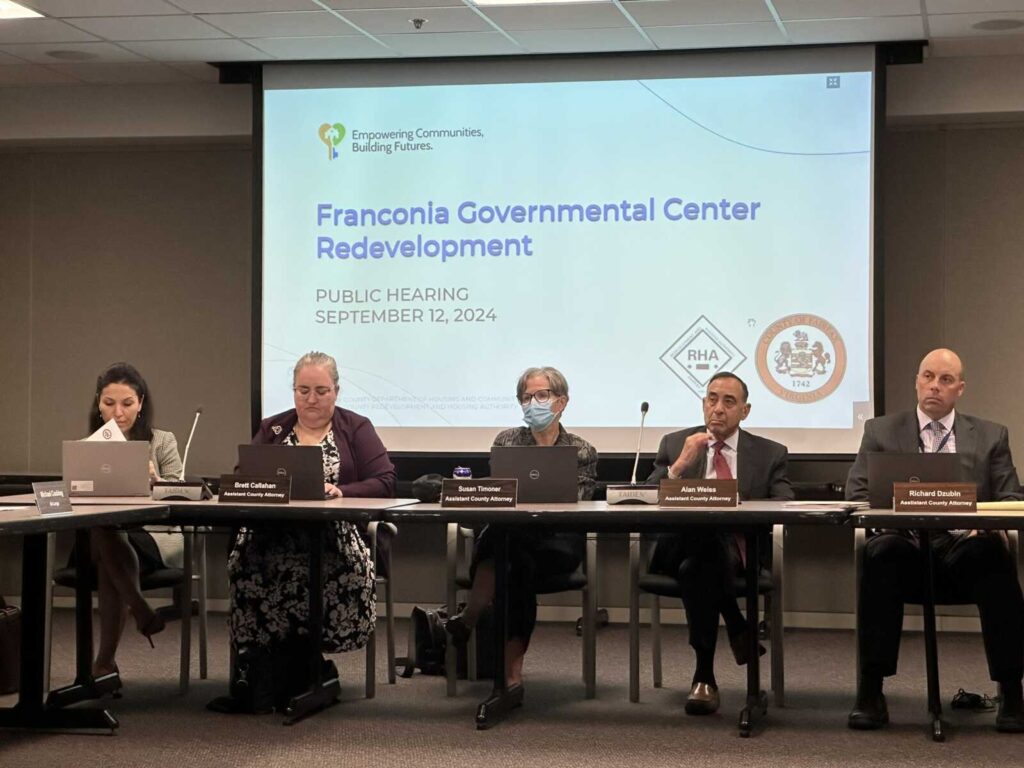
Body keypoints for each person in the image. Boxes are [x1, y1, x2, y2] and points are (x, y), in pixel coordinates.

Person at [846, 348, 1024, 733]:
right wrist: (888, 522)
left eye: (945, 380)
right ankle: (871, 690)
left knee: (995, 555)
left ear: (960, 388)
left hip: (965, 551)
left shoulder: (991, 435)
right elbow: (857, 495)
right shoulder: (880, 431)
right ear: (916, 382)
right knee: (882, 553)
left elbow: (1012, 500)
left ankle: (1011, 690)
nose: (934, 386)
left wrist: (987, 526)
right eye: (928, 376)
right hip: (905, 549)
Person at [209, 351, 395, 714]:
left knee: (308, 572)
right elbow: (243, 475)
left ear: (337, 391)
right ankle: (264, 673)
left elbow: (386, 480)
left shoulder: (356, 428)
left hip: (335, 542)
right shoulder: (272, 428)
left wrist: (343, 491)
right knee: (250, 566)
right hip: (271, 539)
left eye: (321, 391)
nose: (312, 399)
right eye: (303, 390)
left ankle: (302, 671)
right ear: (293, 391)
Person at [647, 371, 793, 715]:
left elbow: (785, 503)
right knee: (702, 539)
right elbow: (644, 497)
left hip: (737, 553)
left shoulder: (770, 453)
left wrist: (735, 504)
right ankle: (738, 626)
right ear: (703, 404)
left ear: (745, 411)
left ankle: (704, 676)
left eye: (729, 401)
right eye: (712, 399)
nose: (718, 408)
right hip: (676, 548)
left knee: (699, 566)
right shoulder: (675, 444)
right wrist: (679, 466)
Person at [444, 366, 597, 690]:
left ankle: (470, 617)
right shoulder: (507, 442)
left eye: (542, 395)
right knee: (516, 561)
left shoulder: (581, 449)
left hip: (557, 541)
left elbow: (577, 499)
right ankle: (512, 671)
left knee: (509, 550)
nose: (533, 403)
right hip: (513, 539)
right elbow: (497, 496)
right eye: (526, 397)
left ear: (562, 402)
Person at [81, 362, 182, 686]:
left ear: (140, 403)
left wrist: (157, 482)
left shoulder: (162, 441)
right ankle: (140, 611)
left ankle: (104, 662)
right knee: (106, 533)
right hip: (103, 533)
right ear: (98, 403)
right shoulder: (89, 447)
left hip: (152, 534)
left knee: (107, 548)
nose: (118, 412)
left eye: (126, 403)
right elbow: (76, 497)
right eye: (109, 403)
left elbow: (183, 494)